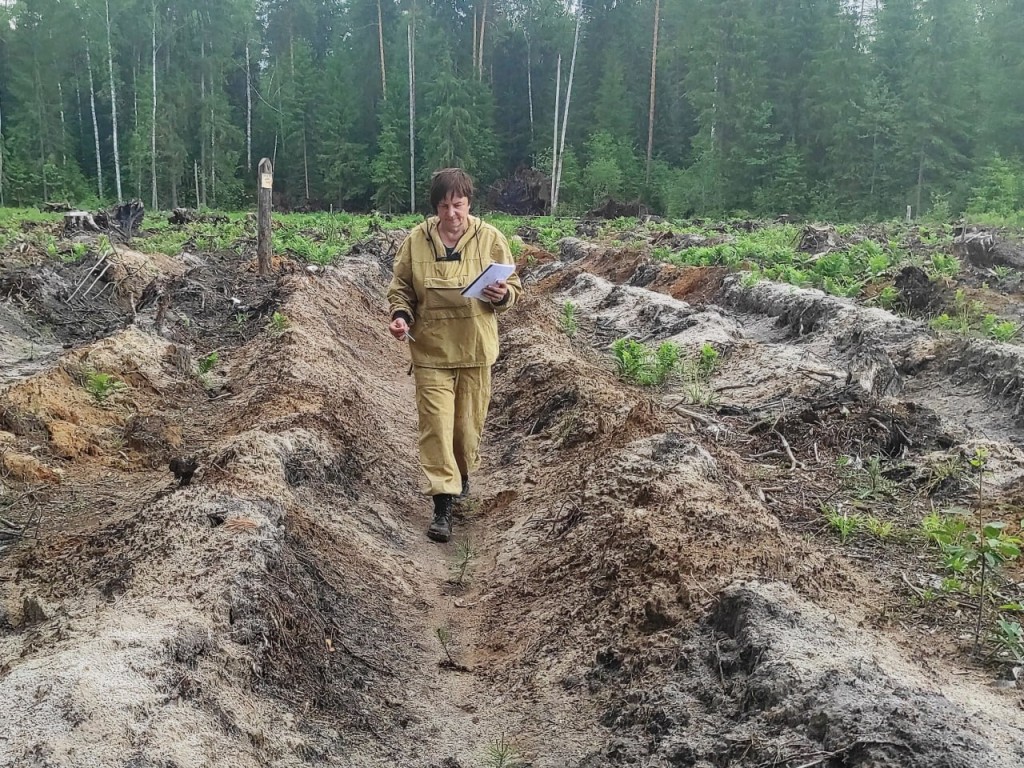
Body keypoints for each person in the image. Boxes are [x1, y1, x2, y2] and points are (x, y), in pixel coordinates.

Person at [387, 168, 522, 543]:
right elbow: (401, 288)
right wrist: (400, 317)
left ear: (469, 204)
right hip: (430, 350)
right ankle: (442, 502)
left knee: (465, 429)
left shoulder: (491, 238)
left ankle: (462, 476)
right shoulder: (416, 241)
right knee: (436, 427)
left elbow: (513, 288)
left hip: (475, 349)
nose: (451, 214)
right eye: (444, 206)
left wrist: (503, 296)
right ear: (435, 207)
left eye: (458, 205)